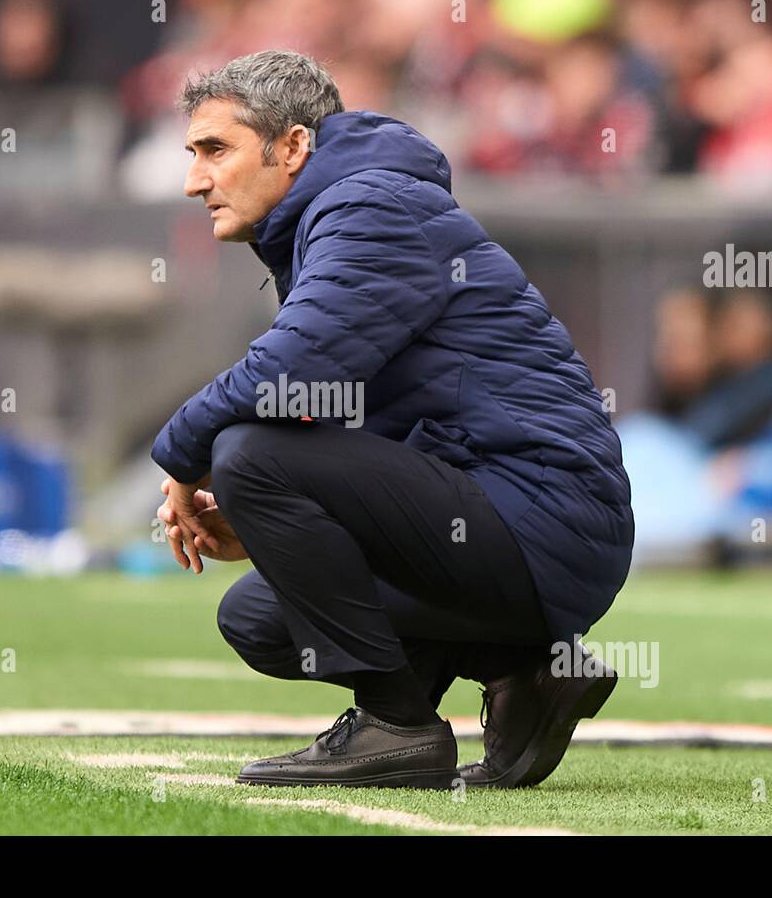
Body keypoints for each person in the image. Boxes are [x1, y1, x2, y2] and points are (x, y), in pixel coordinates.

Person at [153, 50, 633, 789]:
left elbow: (294, 368)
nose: (195, 179)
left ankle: (396, 727)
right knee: (259, 616)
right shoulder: (339, 211)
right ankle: (524, 669)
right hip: (502, 510)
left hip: (545, 512)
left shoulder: (370, 205)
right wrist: (270, 525)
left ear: (293, 146)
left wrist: (181, 453)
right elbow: (360, 423)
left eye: (216, 149)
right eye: (193, 153)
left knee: (248, 448)